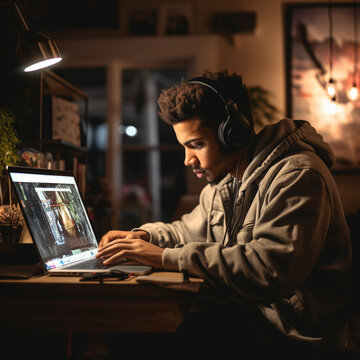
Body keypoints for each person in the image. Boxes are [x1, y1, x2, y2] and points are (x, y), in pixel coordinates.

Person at [96, 70, 353, 359]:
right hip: (252, 317)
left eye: (196, 145)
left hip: (292, 338)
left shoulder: (297, 175)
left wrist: (163, 257)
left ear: (234, 133)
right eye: (184, 147)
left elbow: (269, 270)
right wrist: (143, 236)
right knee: (131, 328)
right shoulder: (225, 184)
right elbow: (186, 230)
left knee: (132, 339)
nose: (187, 160)